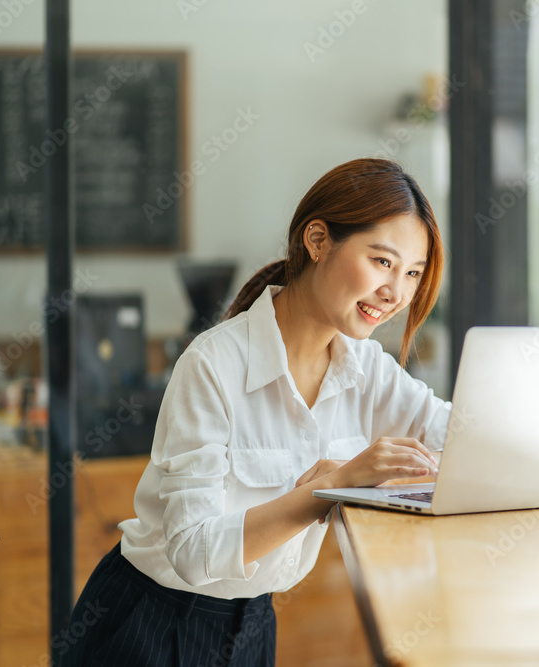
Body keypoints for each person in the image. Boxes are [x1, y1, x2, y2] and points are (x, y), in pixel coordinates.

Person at [60, 158, 451, 666]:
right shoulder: (213, 363)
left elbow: (459, 437)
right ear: (318, 240)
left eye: (413, 273)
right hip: (150, 625)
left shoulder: (365, 368)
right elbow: (192, 551)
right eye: (382, 262)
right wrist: (327, 490)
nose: (396, 293)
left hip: (252, 626)